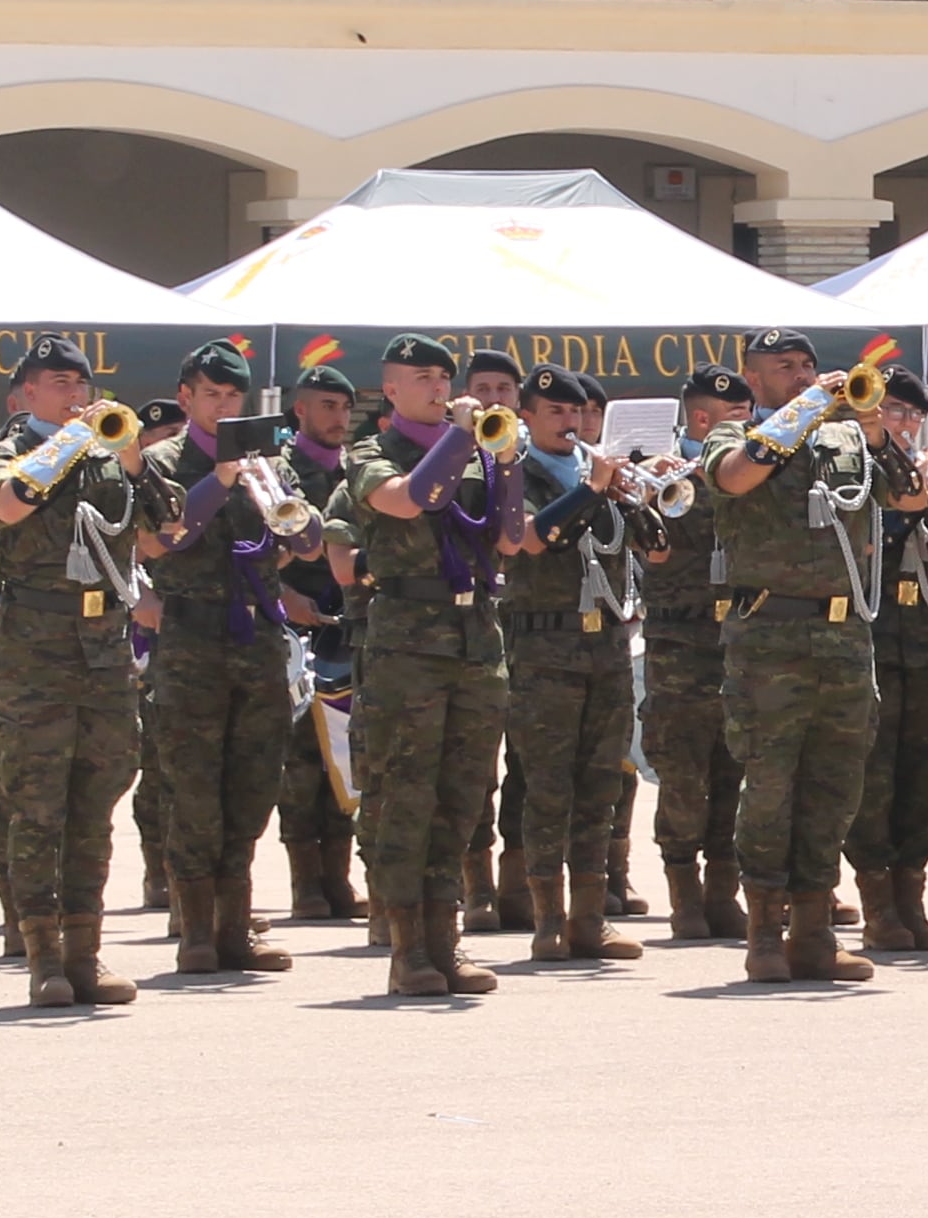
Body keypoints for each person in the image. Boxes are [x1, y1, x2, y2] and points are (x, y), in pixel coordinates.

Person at [320, 336, 519, 999]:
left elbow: (510, 536)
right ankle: (408, 946)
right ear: (393, 391)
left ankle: (446, 937)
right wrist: (464, 439)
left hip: (475, 636)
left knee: (463, 795)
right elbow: (412, 500)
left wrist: (507, 462)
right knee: (406, 795)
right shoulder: (371, 454)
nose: (440, 388)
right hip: (407, 639)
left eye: (444, 377)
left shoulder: (478, 447)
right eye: (423, 378)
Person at [0, 337, 143, 1007]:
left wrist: (131, 457)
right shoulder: (2, 457)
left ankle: (85, 953)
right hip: (34, 653)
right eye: (59, 384)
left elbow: (162, 527)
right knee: (35, 808)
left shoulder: (105, 459)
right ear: (24, 397)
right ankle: (42, 955)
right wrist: (70, 441)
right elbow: (8, 503)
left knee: (94, 806)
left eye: (81, 384)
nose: (76, 396)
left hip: (103, 651)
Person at [700, 330, 884, 988]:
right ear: (754, 379)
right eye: (787, 368)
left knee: (834, 789)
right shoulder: (730, 435)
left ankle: (815, 930)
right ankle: (764, 932)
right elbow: (735, 476)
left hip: (843, 637)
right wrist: (807, 405)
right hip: (769, 637)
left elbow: (907, 497)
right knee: (771, 789)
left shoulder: (844, 442)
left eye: (809, 365)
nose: (806, 374)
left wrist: (877, 433)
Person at [126, 338, 305, 978]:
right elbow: (162, 540)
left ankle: (238, 924)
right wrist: (220, 479)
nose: (223, 406)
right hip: (190, 642)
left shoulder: (268, 461)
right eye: (212, 396)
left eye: (233, 397)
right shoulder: (160, 461)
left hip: (256, 638)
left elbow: (305, 542)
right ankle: (196, 928)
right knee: (194, 785)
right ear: (186, 398)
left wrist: (281, 503)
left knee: (253, 784)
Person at [494, 366, 643, 966]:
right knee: (547, 787)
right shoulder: (512, 471)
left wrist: (635, 493)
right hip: (542, 648)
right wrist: (591, 492)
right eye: (555, 412)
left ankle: (590, 917)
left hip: (604, 645)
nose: (571, 423)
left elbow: (651, 548)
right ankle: (546, 918)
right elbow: (530, 538)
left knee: (601, 785)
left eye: (578, 414)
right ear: (526, 416)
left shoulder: (595, 472)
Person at [846, 364, 928, 955]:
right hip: (873, 636)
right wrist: (909, 501)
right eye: (894, 412)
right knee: (874, 776)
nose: (905, 424)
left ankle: (912, 892)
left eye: (913, 416)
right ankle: (877, 903)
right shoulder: (853, 474)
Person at [638, 365, 748, 945]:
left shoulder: (750, 475)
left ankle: (723, 894)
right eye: (733, 417)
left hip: (739, 642)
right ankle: (683, 893)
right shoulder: (660, 475)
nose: (745, 426)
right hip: (680, 643)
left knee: (734, 771)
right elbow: (646, 550)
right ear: (701, 420)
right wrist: (651, 487)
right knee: (683, 776)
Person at [267, 360, 365, 926]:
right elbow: (257, 551)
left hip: (345, 630)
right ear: (300, 410)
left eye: (346, 408)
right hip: (295, 631)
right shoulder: (280, 472)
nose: (339, 417)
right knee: (301, 764)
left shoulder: (355, 470)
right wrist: (284, 597)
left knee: (345, 757)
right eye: (327, 406)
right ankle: (307, 883)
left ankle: (338, 876)